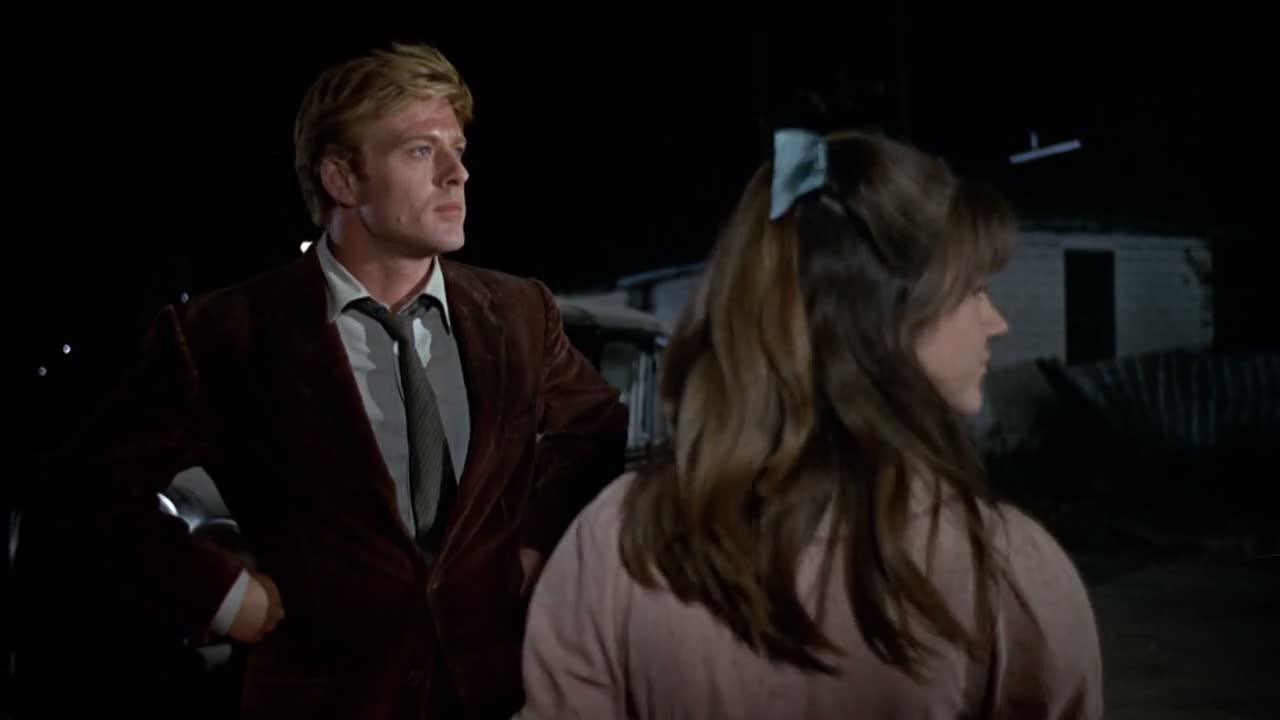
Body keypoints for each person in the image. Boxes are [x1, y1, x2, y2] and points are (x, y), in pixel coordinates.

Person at [21, 42, 628, 719]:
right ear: (342, 179)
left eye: (457, 149)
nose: (457, 173)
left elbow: (595, 426)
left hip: (494, 695)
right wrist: (222, 596)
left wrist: (537, 543)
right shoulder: (226, 333)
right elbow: (87, 487)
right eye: (421, 151)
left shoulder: (518, 311)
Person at [514, 129, 1104, 718]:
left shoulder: (617, 544)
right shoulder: (1007, 572)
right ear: (883, 317)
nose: (996, 321)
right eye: (974, 291)